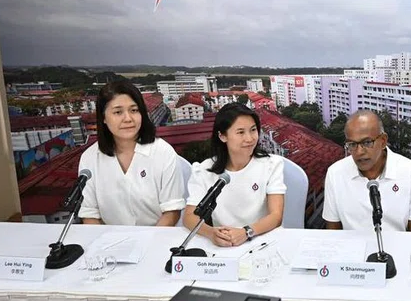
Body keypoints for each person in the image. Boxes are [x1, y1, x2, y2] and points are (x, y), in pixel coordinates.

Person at [78, 79, 187, 226]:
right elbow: (89, 214)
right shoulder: (90, 158)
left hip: (158, 235)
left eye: (134, 110)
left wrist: (149, 240)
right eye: (118, 112)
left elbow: (172, 211)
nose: (128, 119)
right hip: (111, 237)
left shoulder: (162, 152)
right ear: (103, 117)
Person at [184, 103, 286, 247]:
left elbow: (276, 216)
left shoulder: (271, 165)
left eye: (253, 130)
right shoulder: (204, 170)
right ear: (222, 136)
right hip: (225, 244)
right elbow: (189, 217)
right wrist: (211, 233)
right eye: (240, 132)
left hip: (263, 240)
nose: (249, 138)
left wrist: (246, 232)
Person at [322, 109, 411, 232]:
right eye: (352, 144)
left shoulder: (410, 171)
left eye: (367, 142)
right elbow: (333, 233)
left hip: (398, 244)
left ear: (383, 141)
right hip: (352, 244)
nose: (359, 152)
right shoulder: (335, 173)